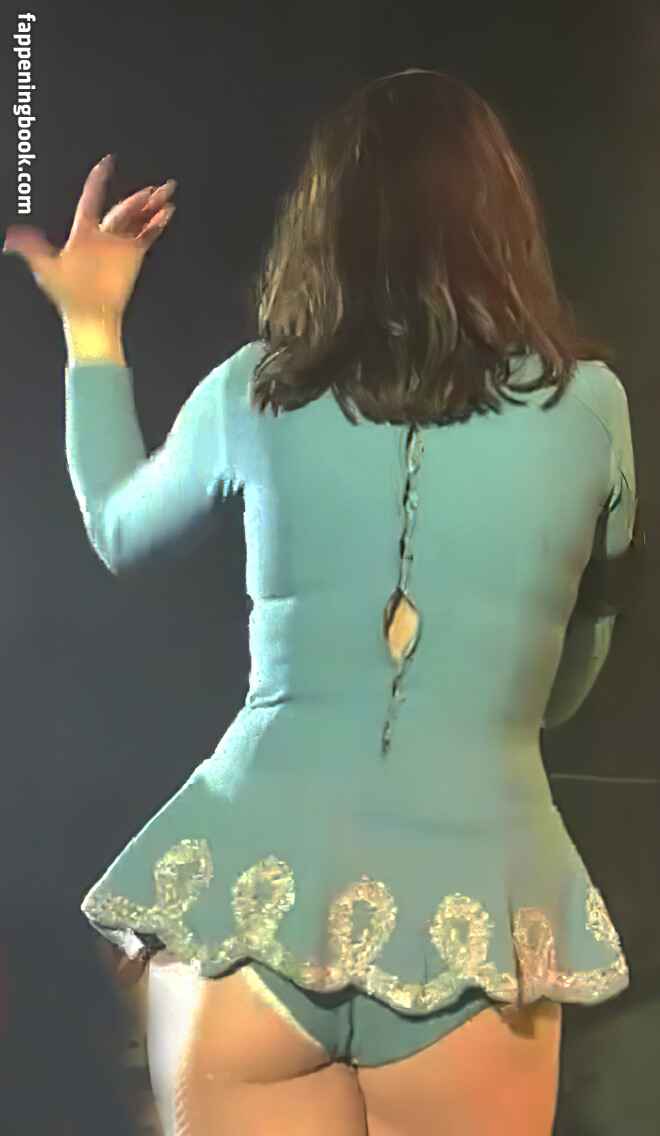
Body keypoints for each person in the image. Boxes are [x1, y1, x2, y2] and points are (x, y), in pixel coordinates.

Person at [3, 68, 640, 1136]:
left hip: (246, 902)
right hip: (473, 916)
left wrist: (92, 327)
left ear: (323, 226)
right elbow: (576, 671)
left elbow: (115, 524)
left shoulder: (258, 388)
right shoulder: (592, 409)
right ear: (505, 221)